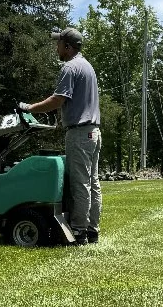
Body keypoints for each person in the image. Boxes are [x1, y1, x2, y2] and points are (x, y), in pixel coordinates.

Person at [18, 27, 102, 246]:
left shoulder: (70, 67)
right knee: (93, 183)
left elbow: (58, 99)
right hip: (94, 132)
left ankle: (79, 232)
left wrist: (29, 107)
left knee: (80, 184)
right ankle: (92, 231)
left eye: (58, 44)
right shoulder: (88, 67)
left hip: (80, 133)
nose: (56, 48)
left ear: (67, 46)